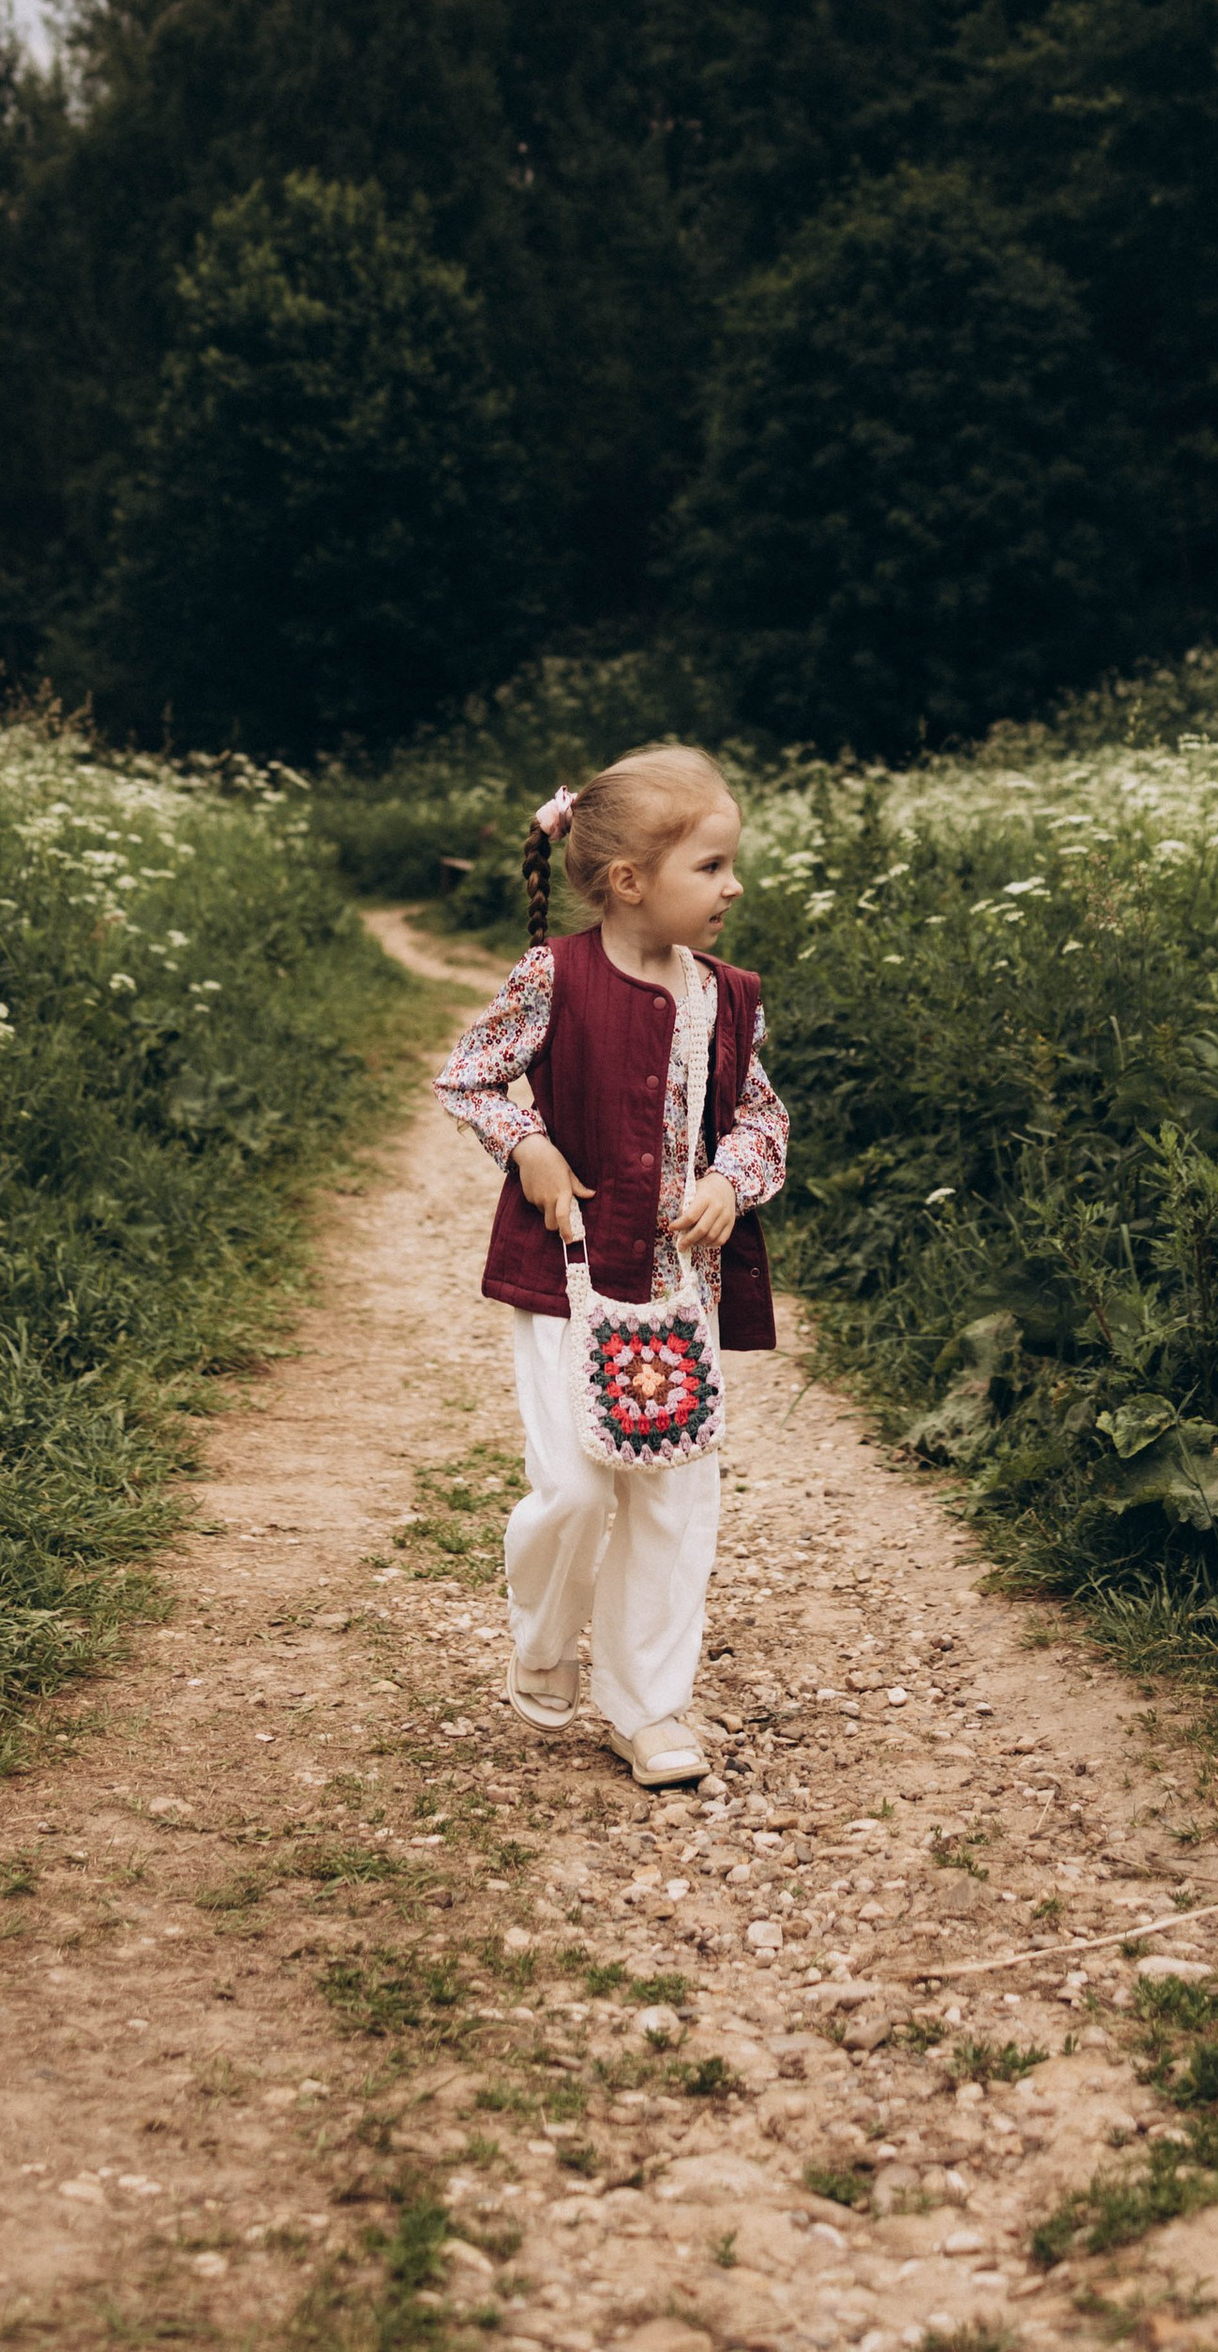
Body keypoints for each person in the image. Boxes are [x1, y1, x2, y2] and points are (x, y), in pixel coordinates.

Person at [435, 742, 789, 1789]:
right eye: (712, 867)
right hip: (568, 1287)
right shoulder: (555, 977)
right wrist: (528, 1144)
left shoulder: (728, 997)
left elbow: (762, 1116)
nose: (734, 887)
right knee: (575, 1491)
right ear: (630, 882)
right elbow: (468, 1079)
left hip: (681, 1295)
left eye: (731, 865)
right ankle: (543, 1637)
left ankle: (649, 1709)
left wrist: (730, 1178)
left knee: (676, 1503)